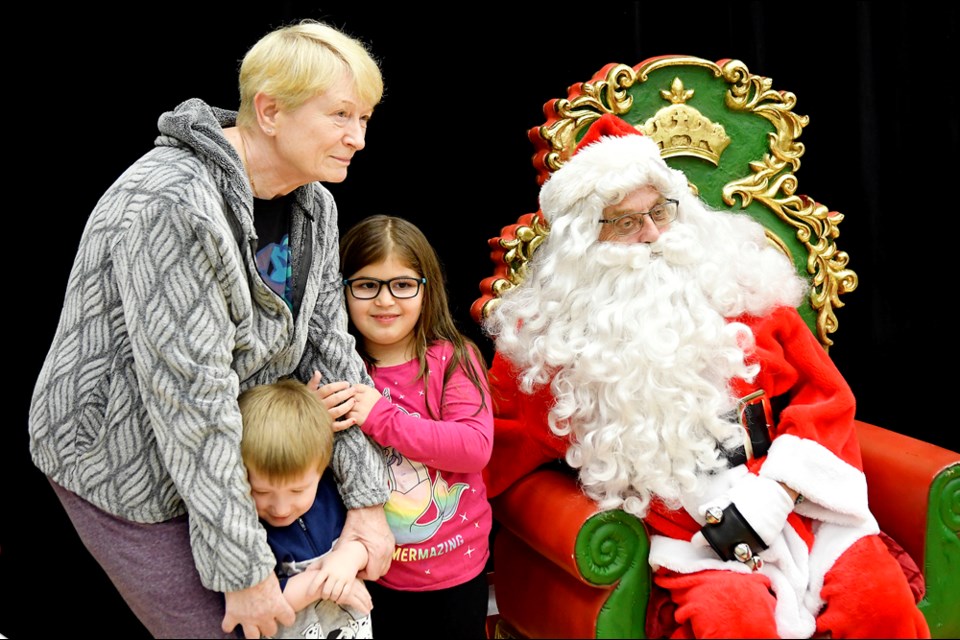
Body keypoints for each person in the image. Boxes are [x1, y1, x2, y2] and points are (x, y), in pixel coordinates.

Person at [481, 113, 930, 639]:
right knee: (731, 622)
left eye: (659, 212)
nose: (651, 234)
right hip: (690, 537)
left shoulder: (745, 295)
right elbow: (500, 459)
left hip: (798, 509)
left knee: (878, 601)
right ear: (585, 243)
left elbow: (825, 398)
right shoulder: (550, 348)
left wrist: (779, 491)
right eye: (625, 223)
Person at [28, 20, 395, 639]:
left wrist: (366, 502)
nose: (358, 138)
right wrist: (245, 573)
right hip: (123, 461)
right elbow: (190, 401)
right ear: (270, 111)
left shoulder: (314, 203)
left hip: (235, 447)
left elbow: (332, 355)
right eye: (340, 115)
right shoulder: (170, 201)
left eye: (364, 118)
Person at [321, 214, 494, 638]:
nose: (385, 301)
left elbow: (474, 447)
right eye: (366, 285)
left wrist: (380, 415)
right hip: (371, 574)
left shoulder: (452, 359)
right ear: (341, 291)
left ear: (425, 288)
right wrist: (312, 419)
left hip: (456, 572)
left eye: (402, 285)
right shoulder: (339, 370)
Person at [239, 379, 373, 639]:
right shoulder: (247, 532)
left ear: (321, 470)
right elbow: (261, 603)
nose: (280, 508)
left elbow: (364, 541)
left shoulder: (331, 499)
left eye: (297, 491)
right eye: (262, 492)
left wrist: (348, 558)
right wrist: (323, 584)